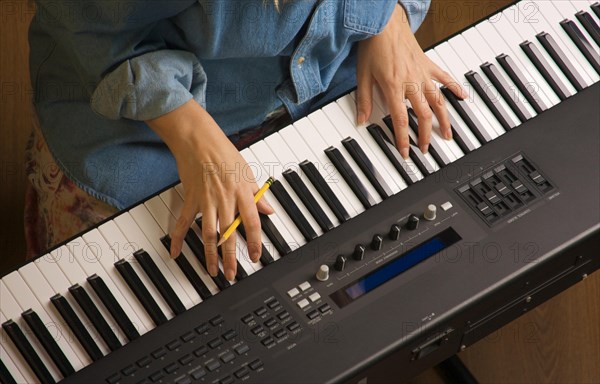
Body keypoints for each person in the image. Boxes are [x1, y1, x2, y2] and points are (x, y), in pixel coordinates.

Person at [26, 0, 465, 281]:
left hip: (333, 74)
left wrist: (390, 16)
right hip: (142, 131)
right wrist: (191, 133)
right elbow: (93, 30)